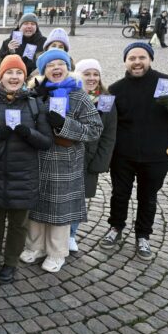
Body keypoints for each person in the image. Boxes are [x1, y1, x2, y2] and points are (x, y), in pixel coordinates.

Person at [100, 43, 168, 259]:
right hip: (122, 156)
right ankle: (115, 228)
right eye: (132, 58)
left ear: (150, 59)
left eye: (141, 57)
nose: (137, 62)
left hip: (156, 155)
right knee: (119, 195)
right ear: (125, 61)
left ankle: (143, 235)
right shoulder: (116, 89)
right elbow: (101, 118)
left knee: (148, 197)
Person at [0, 55, 53, 284]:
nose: (13, 77)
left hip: (23, 176)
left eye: (18, 73)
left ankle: (10, 263)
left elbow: (46, 141)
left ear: (24, 77)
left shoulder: (34, 103)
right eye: (9, 72)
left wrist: (28, 133)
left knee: (18, 224)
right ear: (1, 76)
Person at [20, 50, 102, 273]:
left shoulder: (79, 96)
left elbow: (95, 130)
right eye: (50, 65)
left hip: (64, 162)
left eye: (60, 64)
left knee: (59, 210)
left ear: (68, 67)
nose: (56, 68)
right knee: (35, 207)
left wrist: (65, 124)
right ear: (44, 70)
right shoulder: (37, 94)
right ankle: (34, 246)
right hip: (36, 159)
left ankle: (57, 252)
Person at [72, 58, 117, 252]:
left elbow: (108, 135)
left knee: (78, 199)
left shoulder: (105, 100)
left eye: (95, 74)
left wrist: (100, 162)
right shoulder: (71, 95)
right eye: (87, 73)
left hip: (89, 159)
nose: (92, 78)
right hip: (68, 155)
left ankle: (71, 235)